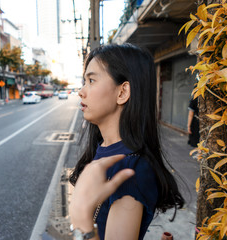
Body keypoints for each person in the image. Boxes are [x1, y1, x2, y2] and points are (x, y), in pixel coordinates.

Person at [68, 43, 185, 240]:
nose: (81, 91)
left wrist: (82, 221)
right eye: (84, 81)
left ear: (122, 92)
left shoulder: (130, 173)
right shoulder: (104, 147)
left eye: (91, 80)